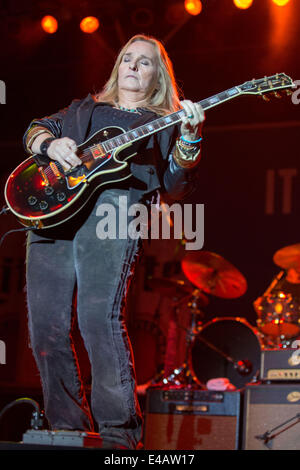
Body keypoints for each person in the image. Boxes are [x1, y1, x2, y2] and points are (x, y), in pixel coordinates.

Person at [23, 34, 205, 450]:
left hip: (115, 213)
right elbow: (34, 130)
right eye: (127, 59)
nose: (133, 67)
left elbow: (175, 185)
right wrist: (51, 144)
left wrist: (190, 139)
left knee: (96, 319)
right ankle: (67, 427)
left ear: (158, 75)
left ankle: (118, 437)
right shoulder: (82, 110)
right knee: (44, 327)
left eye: (145, 62)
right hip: (53, 217)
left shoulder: (166, 121)